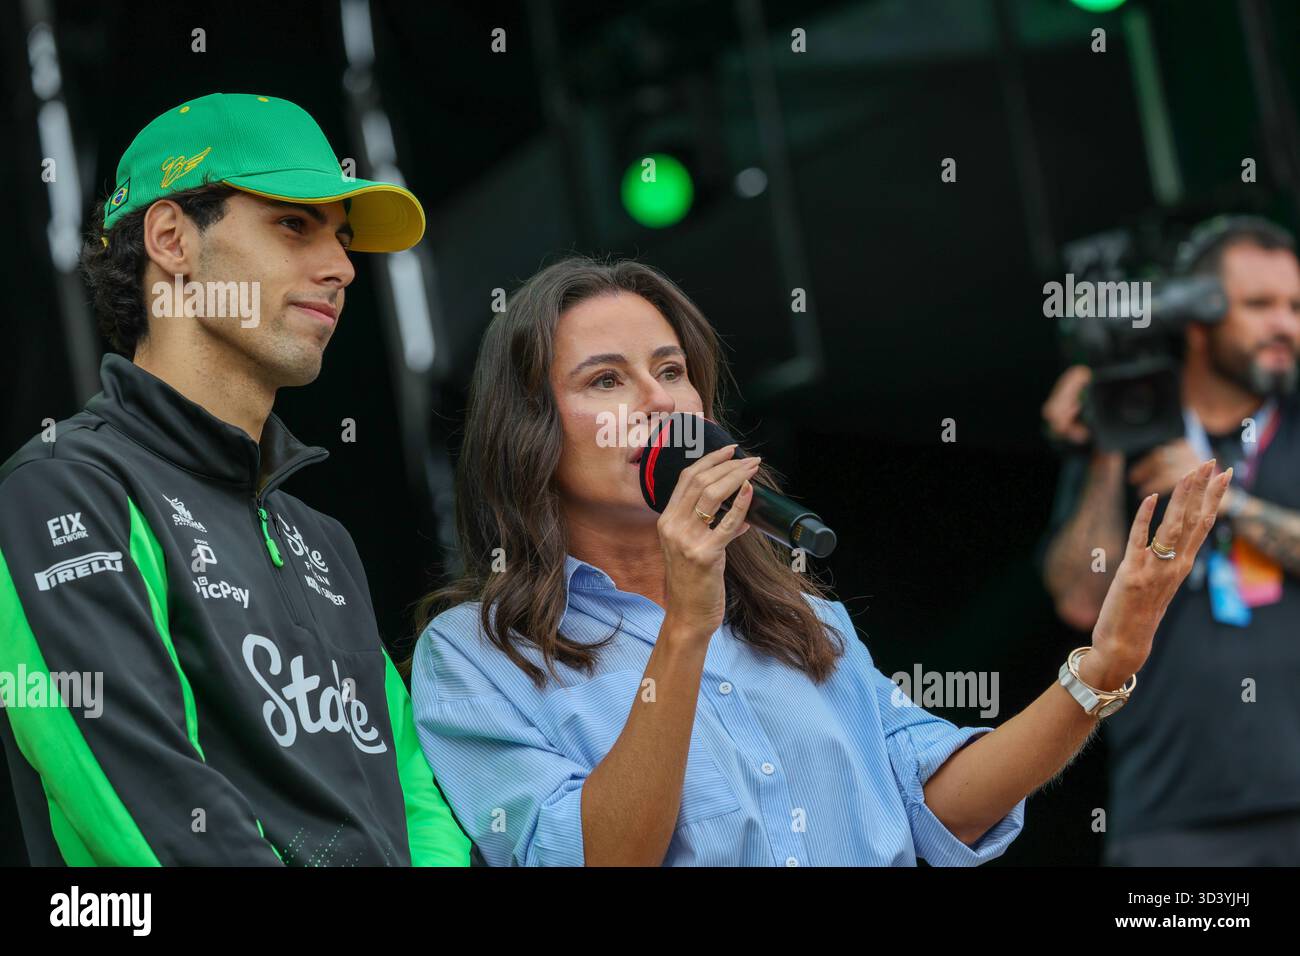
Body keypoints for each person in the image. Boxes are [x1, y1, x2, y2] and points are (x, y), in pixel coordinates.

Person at [409, 256, 1228, 866]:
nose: (659, 403)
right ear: (529, 432)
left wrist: (1101, 666)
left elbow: (931, 798)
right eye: (606, 381)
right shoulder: (476, 653)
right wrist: (688, 623)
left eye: (671, 371)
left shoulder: (798, 612)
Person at [0, 93, 469, 866]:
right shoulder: (63, 491)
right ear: (171, 240)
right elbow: (148, 807)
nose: (342, 268)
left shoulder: (324, 541)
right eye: (294, 223)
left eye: (343, 238)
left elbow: (416, 794)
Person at [1042, 215, 1300, 865]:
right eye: (1259, 305)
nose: (1284, 326)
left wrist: (1223, 499)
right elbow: (1078, 600)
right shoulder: (1130, 430)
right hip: (1172, 812)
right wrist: (1110, 439)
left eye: (1296, 306)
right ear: (1196, 321)